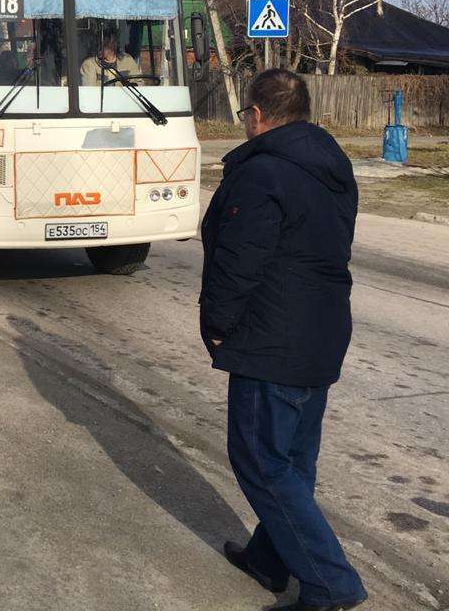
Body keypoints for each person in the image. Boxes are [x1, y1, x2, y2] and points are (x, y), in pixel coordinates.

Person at [201, 69, 367, 611]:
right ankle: (271, 560)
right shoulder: (332, 167)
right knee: (292, 461)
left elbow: (238, 262)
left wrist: (219, 327)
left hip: (272, 338)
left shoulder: (263, 173)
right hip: (320, 333)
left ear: (255, 114)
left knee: (261, 462)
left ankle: (329, 583)